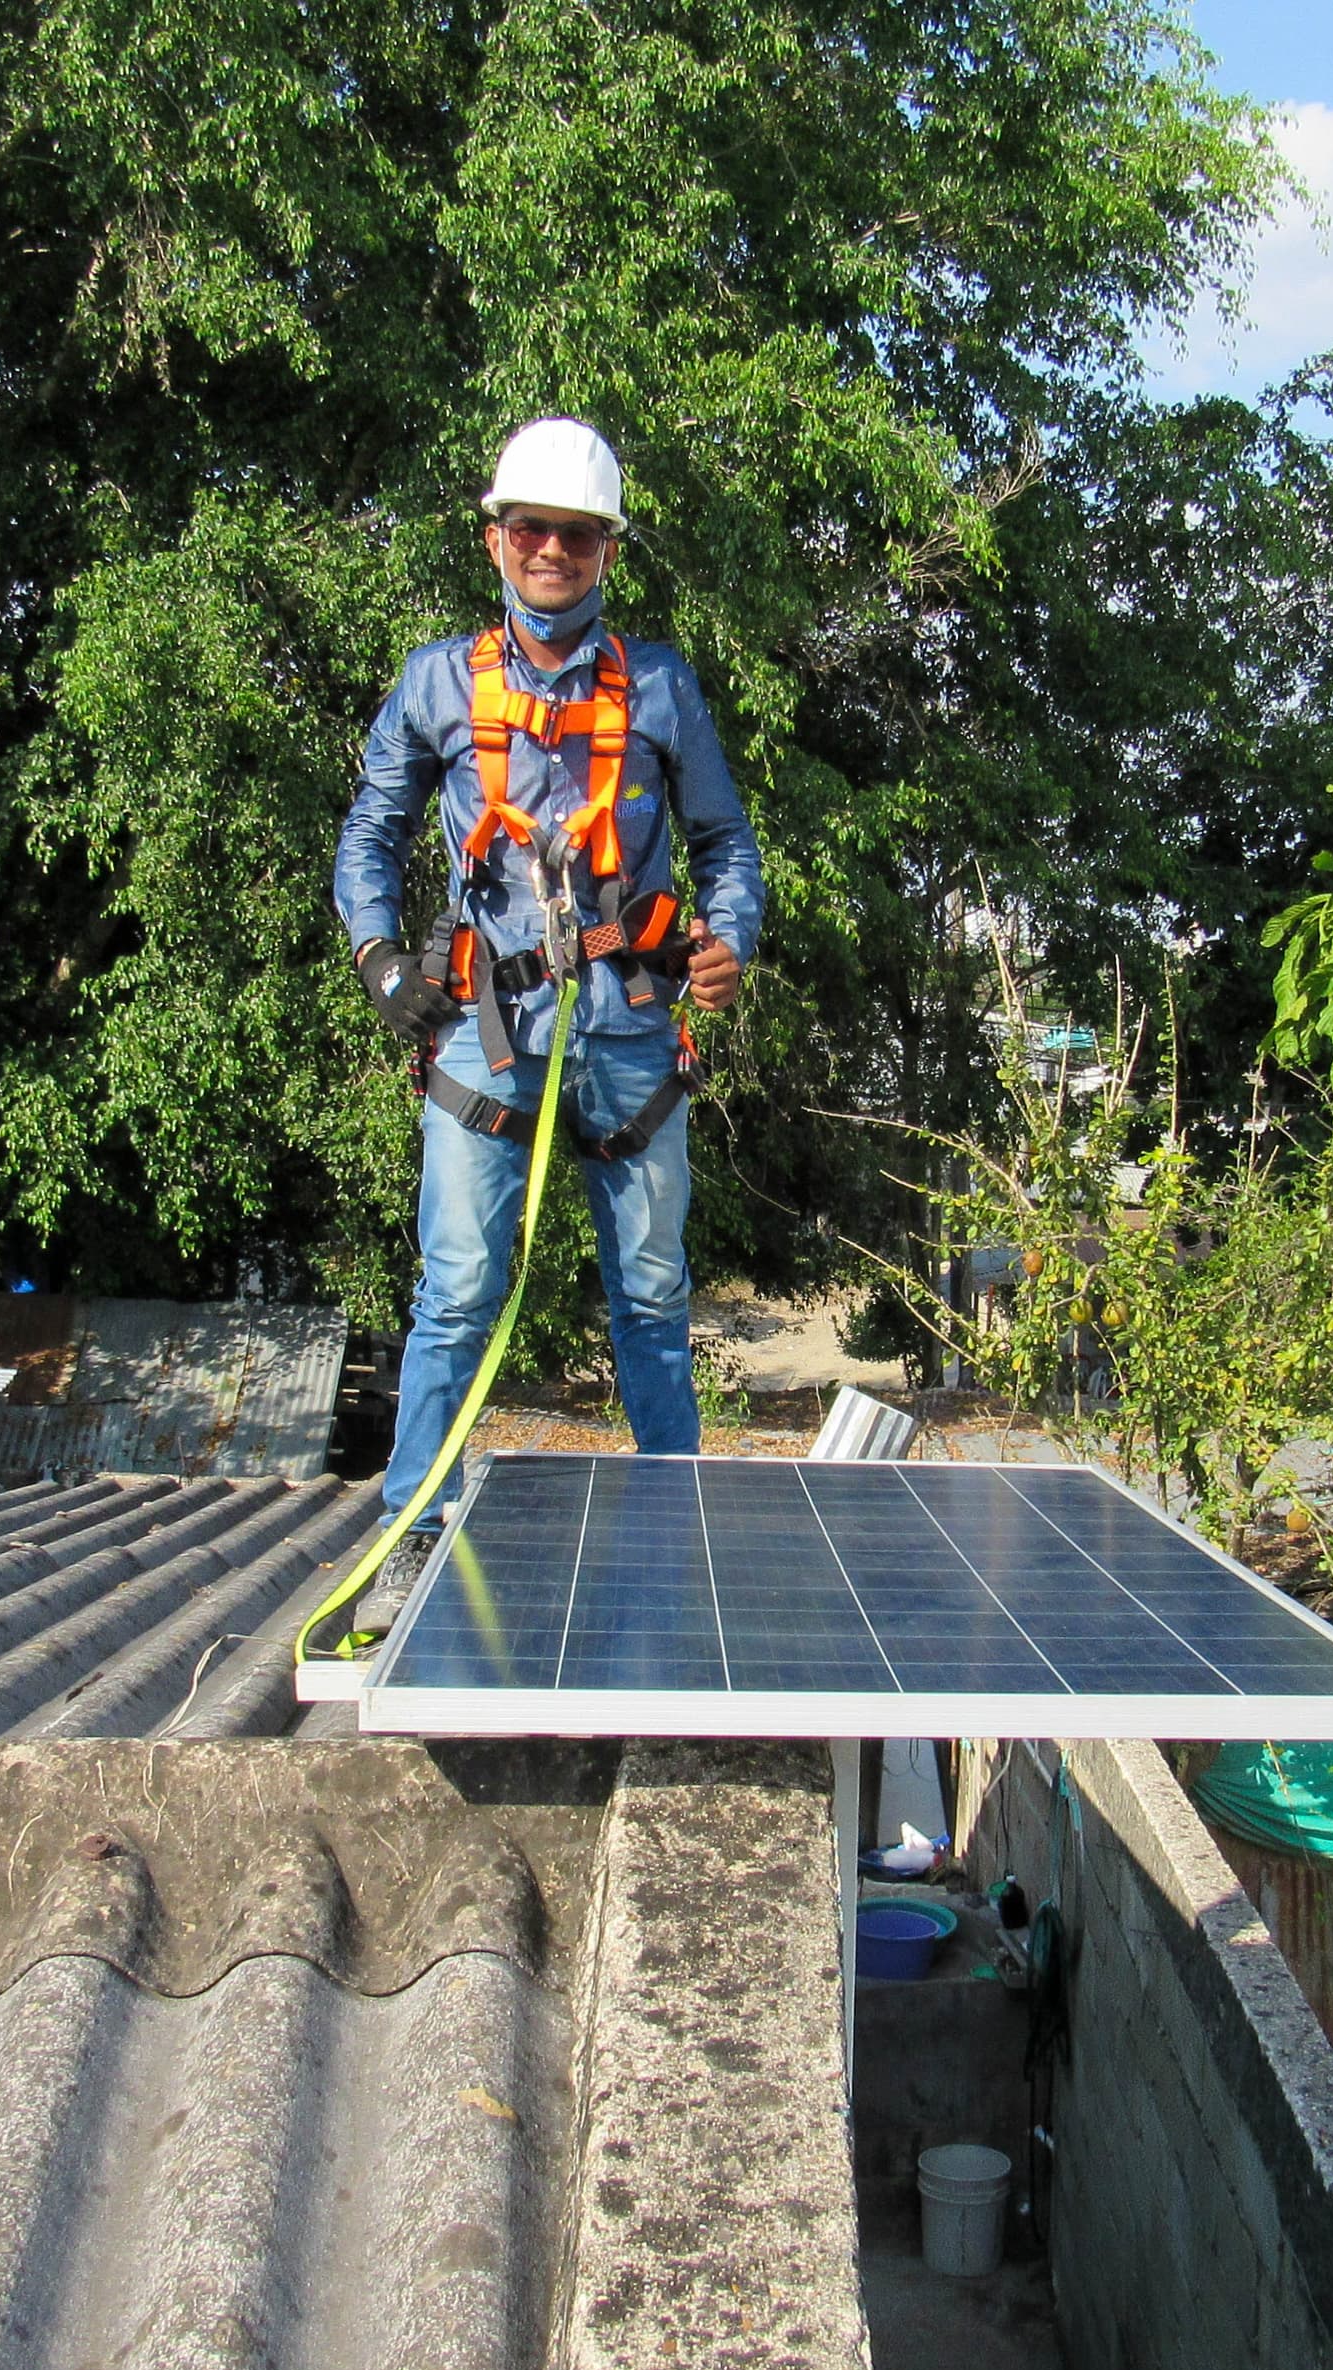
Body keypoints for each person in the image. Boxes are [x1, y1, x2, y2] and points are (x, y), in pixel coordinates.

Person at [330, 418, 764, 1622]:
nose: (553, 552)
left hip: (627, 1022)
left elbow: (729, 846)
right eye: (533, 531)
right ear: (497, 540)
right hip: (486, 1026)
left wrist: (730, 942)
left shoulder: (662, 686)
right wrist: (376, 958)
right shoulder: (435, 681)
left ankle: (675, 1529)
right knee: (461, 1283)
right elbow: (368, 832)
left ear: (607, 551)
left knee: (654, 1292)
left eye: (577, 535)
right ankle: (412, 1534)